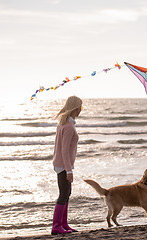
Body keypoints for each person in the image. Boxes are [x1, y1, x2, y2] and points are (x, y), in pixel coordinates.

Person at [51, 96, 82, 235]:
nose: (81, 110)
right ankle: (56, 226)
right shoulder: (68, 126)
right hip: (63, 165)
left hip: (61, 164)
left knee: (66, 193)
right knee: (64, 194)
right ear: (75, 108)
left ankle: (63, 224)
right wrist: (69, 171)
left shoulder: (63, 123)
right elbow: (64, 150)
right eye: (80, 107)